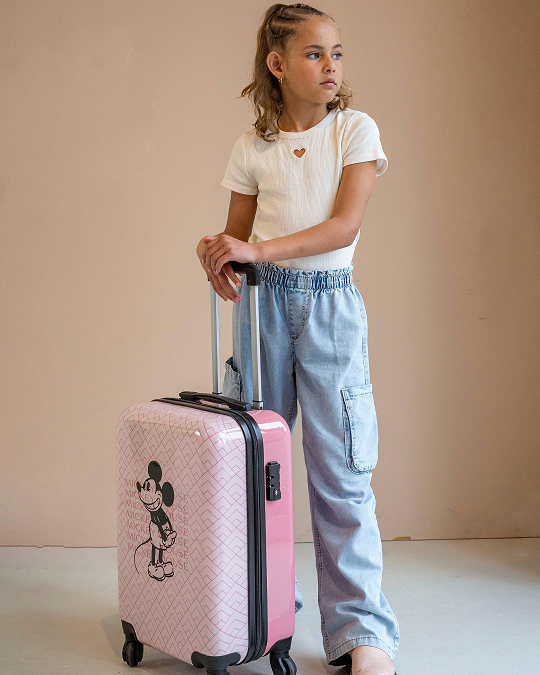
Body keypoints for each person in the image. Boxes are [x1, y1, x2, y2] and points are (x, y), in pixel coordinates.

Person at [196, 4, 399, 675]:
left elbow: (343, 227)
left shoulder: (355, 130)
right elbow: (238, 239)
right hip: (261, 308)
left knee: (342, 470)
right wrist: (219, 254)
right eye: (314, 54)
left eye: (337, 53)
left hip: (330, 307)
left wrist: (254, 249)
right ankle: (261, 609)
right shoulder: (252, 147)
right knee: (256, 464)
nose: (331, 66)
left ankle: (361, 631)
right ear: (277, 64)